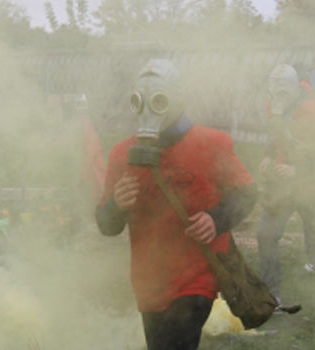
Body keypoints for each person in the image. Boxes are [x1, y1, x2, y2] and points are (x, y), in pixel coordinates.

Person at [95, 59, 257, 350]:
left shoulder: (211, 143)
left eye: (158, 100)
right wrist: (117, 205)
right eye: (139, 102)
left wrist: (215, 219)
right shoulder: (122, 154)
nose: (148, 110)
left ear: (177, 98)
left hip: (198, 276)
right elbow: (107, 225)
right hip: (149, 281)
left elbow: (246, 193)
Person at [257, 63, 315, 304]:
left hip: (313, 182)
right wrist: (269, 154)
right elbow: (275, 134)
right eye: (275, 91)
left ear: (294, 89)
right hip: (283, 182)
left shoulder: (312, 110)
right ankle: (271, 292)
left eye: (283, 92)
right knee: (266, 234)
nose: (278, 97)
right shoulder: (273, 105)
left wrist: (298, 169)